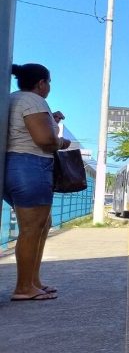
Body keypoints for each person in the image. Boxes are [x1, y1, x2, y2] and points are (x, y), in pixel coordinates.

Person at [5, 63, 70, 301]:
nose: (49, 87)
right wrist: (61, 142)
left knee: (43, 224)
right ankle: (24, 287)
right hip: (30, 166)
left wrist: (50, 120)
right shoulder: (34, 101)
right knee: (32, 228)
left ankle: (33, 281)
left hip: (16, 165)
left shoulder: (15, 99)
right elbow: (45, 140)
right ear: (41, 83)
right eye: (49, 82)